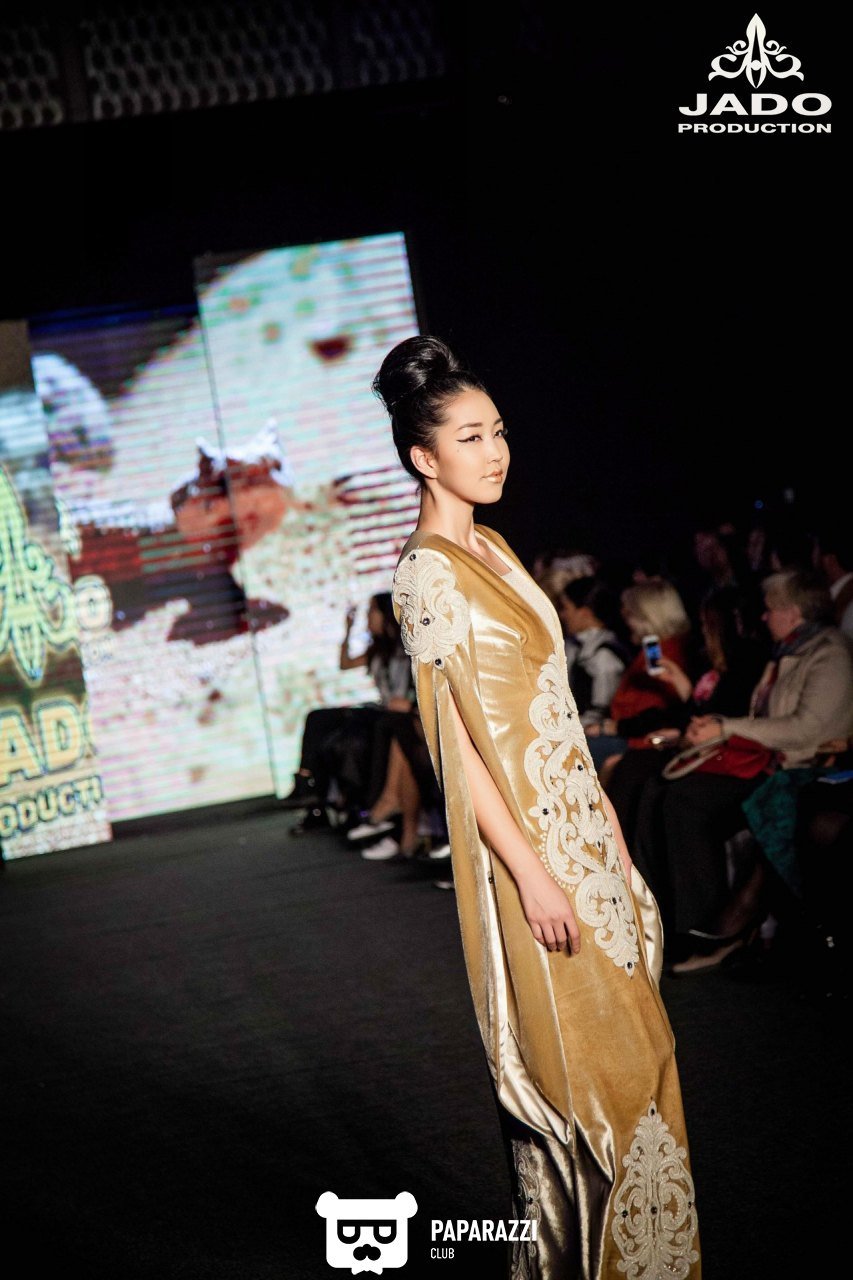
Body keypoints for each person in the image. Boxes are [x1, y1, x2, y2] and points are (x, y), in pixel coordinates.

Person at [375, 335, 700, 1278]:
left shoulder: (494, 545)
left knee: (642, 1062)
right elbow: (455, 750)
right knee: (592, 1084)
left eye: (499, 431)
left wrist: (607, 828)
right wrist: (530, 875)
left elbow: (550, 710)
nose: (495, 452)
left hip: (582, 835)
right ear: (422, 457)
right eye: (470, 437)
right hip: (533, 855)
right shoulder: (427, 571)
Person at [665, 568, 853, 973]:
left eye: (770, 609)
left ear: (794, 611)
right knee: (668, 791)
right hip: (773, 763)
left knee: (688, 802)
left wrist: (726, 727)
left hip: (803, 767)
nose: (764, 617)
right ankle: (687, 920)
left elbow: (806, 728)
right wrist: (718, 726)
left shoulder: (829, 654)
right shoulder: (788, 651)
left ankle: (716, 923)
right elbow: (767, 718)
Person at [281, 592, 413, 828]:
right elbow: (345, 663)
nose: (368, 617)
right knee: (318, 718)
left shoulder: (406, 649)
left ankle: (337, 798)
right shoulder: (377, 651)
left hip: (394, 713)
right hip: (380, 709)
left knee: (349, 733)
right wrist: (348, 629)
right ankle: (305, 781)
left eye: (372, 611)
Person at [557, 576, 630, 731]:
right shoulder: (572, 645)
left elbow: (600, 712)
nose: (562, 615)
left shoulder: (604, 657)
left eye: (565, 608)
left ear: (584, 613)